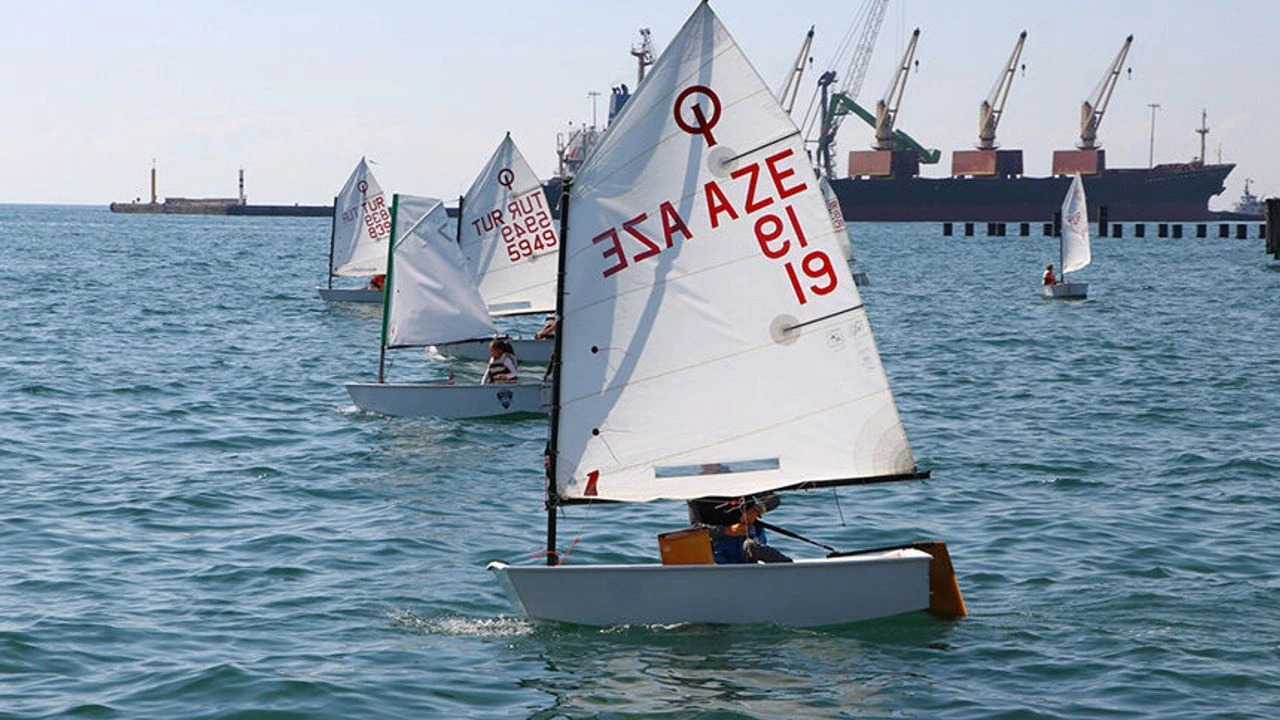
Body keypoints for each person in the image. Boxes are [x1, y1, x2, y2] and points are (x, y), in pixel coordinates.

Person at [687, 493, 792, 564]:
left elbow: (773, 499)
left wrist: (756, 510)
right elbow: (696, 527)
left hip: (748, 536)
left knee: (751, 547)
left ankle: (789, 568)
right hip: (718, 542)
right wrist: (727, 530)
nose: (708, 466)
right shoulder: (695, 491)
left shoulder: (740, 479)